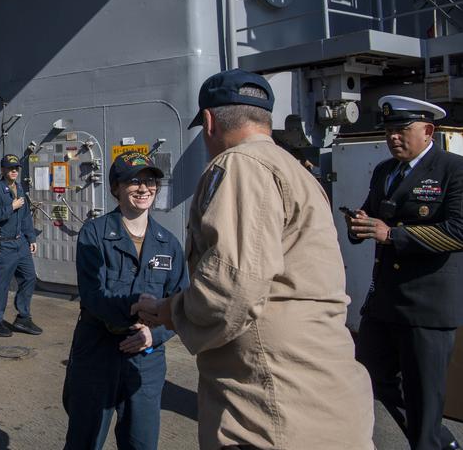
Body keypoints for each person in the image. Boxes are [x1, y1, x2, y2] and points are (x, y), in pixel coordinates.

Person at [133, 70, 374, 449]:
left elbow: (231, 287)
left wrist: (170, 311)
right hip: (319, 384)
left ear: (209, 122)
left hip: (270, 397)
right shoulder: (295, 169)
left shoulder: (240, 165)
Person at [346, 95, 462, 450]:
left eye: (402, 130)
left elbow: (458, 230)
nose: (393, 137)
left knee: (424, 397)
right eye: (389, 131)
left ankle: (430, 442)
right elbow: (371, 214)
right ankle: (440, 443)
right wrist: (358, 225)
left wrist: (391, 234)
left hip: (427, 303)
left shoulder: (452, 169)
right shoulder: (385, 171)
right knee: (371, 376)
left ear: (427, 130)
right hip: (384, 302)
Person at [62, 151, 188, 450]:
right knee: (83, 441)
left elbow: (180, 303)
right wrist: (132, 308)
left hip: (144, 361)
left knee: (141, 443)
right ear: (115, 187)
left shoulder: (169, 244)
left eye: (150, 181)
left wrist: (153, 334)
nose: (144, 188)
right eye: (134, 181)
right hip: (96, 354)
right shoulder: (94, 234)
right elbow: (92, 295)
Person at [0, 154, 42, 337]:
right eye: (10, 168)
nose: (14, 171)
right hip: (3, 244)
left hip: (20, 243)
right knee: (1, 284)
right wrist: (11, 206)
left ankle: (23, 318)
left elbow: (25, 217)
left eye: (16, 168)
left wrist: (31, 238)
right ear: (3, 170)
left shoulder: (19, 189)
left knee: (30, 277)